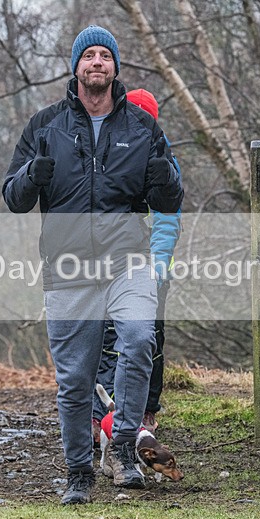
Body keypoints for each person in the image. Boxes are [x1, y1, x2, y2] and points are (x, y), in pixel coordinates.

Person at [2, 26, 183, 504]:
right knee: (75, 379)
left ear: (115, 68)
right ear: (76, 67)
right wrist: (31, 175)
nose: (97, 62)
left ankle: (123, 447)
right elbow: (13, 198)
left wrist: (166, 180)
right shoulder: (45, 125)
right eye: (89, 55)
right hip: (67, 267)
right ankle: (79, 472)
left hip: (128, 261)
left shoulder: (141, 128)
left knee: (139, 340)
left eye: (105, 55)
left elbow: (168, 200)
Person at [92, 88, 182, 439]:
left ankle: (146, 409)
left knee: (150, 339)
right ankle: (100, 414)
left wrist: (157, 267)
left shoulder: (161, 158)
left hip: (149, 267)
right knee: (105, 340)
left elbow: (167, 219)